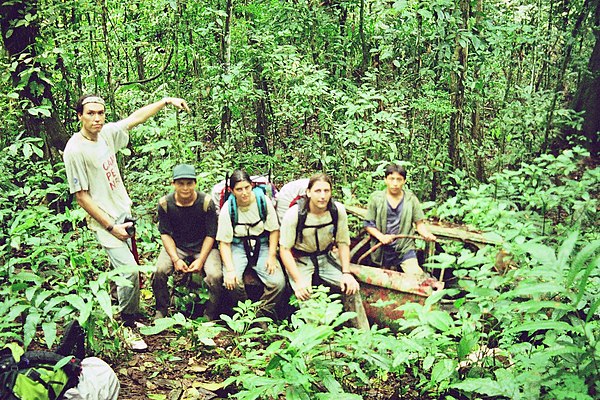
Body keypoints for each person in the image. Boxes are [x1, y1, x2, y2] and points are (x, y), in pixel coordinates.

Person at [63, 94, 190, 349]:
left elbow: (134, 119)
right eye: (90, 113)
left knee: (126, 269)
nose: (97, 118)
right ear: (80, 116)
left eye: (100, 113)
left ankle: (125, 312)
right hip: (105, 222)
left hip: (123, 212)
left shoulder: (106, 134)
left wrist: (164, 101)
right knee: (129, 271)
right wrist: (111, 226)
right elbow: (81, 196)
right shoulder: (75, 150)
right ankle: (126, 324)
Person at [279, 173, 369, 330]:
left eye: (326, 191)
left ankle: (364, 335)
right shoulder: (294, 214)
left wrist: (346, 273)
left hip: (325, 257)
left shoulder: (337, 210)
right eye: (318, 191)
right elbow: (285, 250)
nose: (322, 196)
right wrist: (298, 281)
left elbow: (343, 242)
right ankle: (317, 343)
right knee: (305, 295)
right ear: (308, 192)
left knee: (352, 288)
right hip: (301, 259)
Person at [152, 164, 223, 320]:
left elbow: (211, 234)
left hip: (204, 246)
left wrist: (201, 260)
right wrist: (176, 259)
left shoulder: (206, 203)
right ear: (173, 184)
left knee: (215, 275)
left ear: (195, 183)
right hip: (178, 246)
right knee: (160, 271)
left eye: (189, 183)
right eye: (181, 183)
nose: (185, 188)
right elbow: (165, 233)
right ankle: (161, 309)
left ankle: (210, 313)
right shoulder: (165, 204)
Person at [216, 170, 286, 321]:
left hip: (262, 244)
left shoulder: (263, 202)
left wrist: (272, 256)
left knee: (278, 282)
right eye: (239, 189)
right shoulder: (228, 209)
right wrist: (229, 270)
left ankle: (260, 313)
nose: (244, 193)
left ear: (252, 186)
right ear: (232, 191)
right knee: (233, 282)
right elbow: (224, 243)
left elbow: (274, 230)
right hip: (237, 245)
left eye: (247, 188)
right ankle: (245, 314)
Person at [363, 163, 436, 275]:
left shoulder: (411, 199)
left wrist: (426, 234)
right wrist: (381, 237)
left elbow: (419, 223)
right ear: (385, 180)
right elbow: (368, 224)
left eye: (399, 179)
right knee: (383, 280)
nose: (395, 183)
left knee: (417, 276)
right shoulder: (376, 199)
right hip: (381, 248)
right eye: (392, 179)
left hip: (404, 248)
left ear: (404, 181)